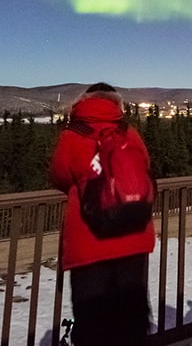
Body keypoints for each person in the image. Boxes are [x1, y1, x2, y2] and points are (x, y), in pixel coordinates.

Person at [49, 83, 155, 346]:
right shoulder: (128, 132)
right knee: (132, 321)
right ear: (116, 104)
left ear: (84, 102)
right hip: (134, 236)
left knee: (93, 325)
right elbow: (144, 169)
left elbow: (60, 176)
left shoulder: (73, 134)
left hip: (89, 243)